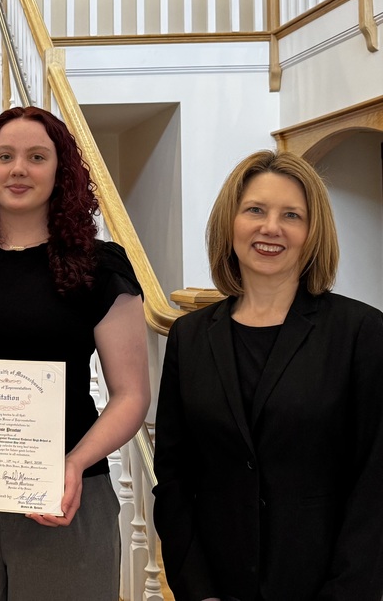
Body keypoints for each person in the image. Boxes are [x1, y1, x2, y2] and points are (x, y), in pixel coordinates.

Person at [0, 106, 150, 600]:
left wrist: (76, 463)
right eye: (6, 156)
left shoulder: (99, 269)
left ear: (62, 173)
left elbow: (131, 395)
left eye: (37, 157)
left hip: (65, 490)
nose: (19, 169)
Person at [153, 150, 383, 601]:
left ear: (312, 232)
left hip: (325, 586)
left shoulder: (362, 332)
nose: (270, 228)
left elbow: (375, 482)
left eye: (291, 215)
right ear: (231, 222)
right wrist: (198, 589)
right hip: (217, 585)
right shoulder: (190, 336)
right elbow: (175, 475)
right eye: (255, 210)